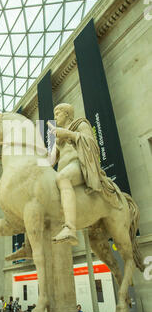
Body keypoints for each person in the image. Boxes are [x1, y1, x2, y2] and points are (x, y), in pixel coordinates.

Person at [47, 103, 123, 245]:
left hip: (79, 165)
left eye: (57, 113)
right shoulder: (57, 138)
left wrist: (68, 134)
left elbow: (91, 143)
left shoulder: (80, 124)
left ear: (67, 114)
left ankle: (70, 228)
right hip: (64, 170)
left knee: (62, 177)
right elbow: (49, 161)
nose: (55, 116)